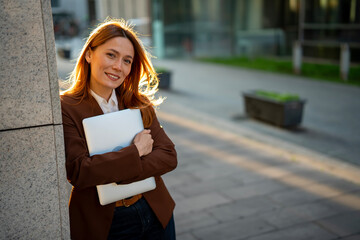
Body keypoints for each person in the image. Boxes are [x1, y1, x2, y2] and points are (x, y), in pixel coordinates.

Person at [60, 18, 177, 240]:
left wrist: (114, 170)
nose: (118, 67)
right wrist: (135, 152)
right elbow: (80, 171)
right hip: (107, 224)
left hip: (155, 211)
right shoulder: (66, 107)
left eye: (127, 60)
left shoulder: (137, 101)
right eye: (111, 55)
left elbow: (169, 156)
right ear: (89, 54)